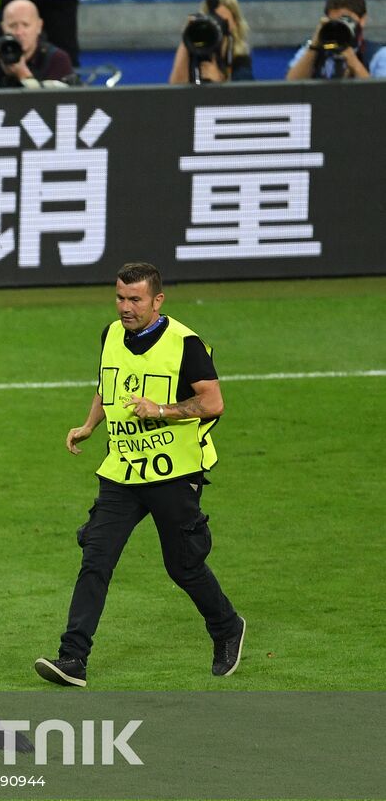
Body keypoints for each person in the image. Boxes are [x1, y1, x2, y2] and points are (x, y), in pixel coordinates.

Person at [35, 262, 245, 688]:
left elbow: (214, 403)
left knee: (183, 566)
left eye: (135, 299)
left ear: (157, 300)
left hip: (173, 471)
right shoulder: (111, 334)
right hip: (122, 469)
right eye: (120, 297)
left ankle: (226, 627)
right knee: (96, 558)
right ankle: (73, 658)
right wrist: (89, 424)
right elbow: (107, 385)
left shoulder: (186, 344)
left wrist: (162, 410)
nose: (125, 307)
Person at [285, 0, 386, 81]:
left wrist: (354, 62)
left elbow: (380, 95)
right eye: (335, 21)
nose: (341, 26)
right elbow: (291, 88)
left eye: (347, 20)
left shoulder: (378, 54)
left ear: (362, 20)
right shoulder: (317, 48)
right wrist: (314, 46)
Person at [168, 0, 255, 85]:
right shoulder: (196, 49)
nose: (217, 24)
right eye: (213, 19)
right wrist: (188, 36)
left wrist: (219, 84)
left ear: (234, 23)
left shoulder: (239, 59)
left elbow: (246, 95)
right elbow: (175, 88)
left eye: (221, 20)